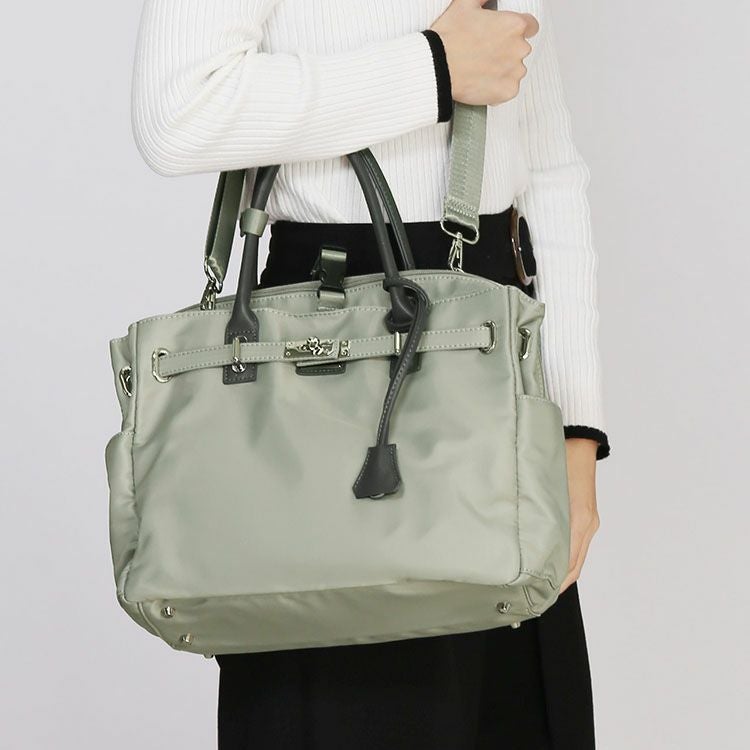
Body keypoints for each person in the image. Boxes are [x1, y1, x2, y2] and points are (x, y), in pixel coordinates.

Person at [131, 1, 610, 747]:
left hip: (496, 352)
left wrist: (577, 428)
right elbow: (179, 111)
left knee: (512, 705)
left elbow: (547, 168)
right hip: (319, 354)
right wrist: (433, 68)